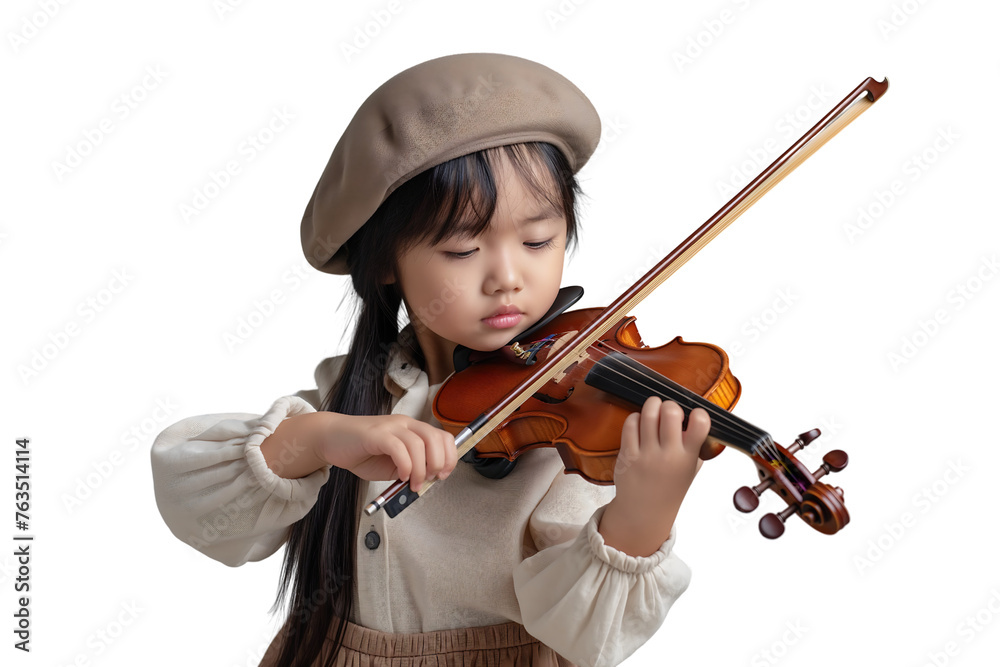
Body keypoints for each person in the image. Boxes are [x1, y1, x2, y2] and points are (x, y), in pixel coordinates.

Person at [150, 52, 717, 667]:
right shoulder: (353, 390)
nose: (507, 278)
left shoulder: (561, 437)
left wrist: (642, 514)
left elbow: (587, 638)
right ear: (387, 262)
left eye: (537, 241)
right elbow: (205, 516)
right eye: (462, 248)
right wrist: (317, 437)